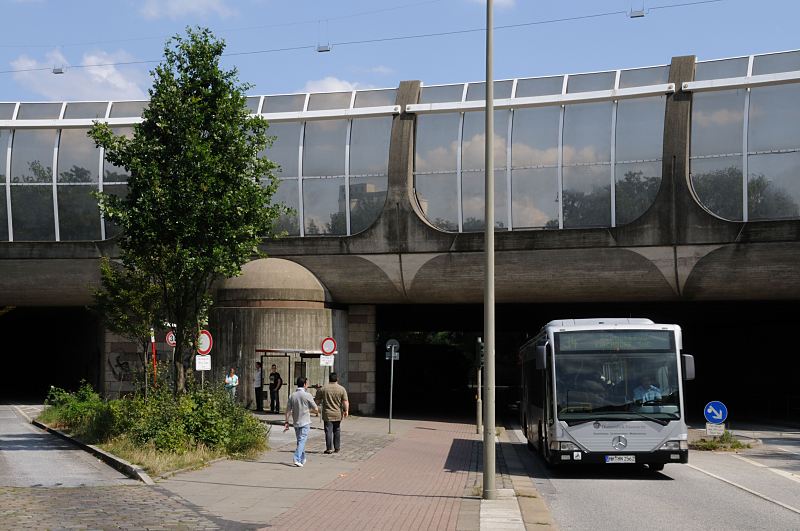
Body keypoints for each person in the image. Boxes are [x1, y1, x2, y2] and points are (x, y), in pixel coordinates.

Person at [284, 376, 319, 467]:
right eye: (307, 383)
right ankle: (296, 458)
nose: (307, 385)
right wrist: (309, 410)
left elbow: (288, 410)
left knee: (300, 440)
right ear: (304, 384)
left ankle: (302, 458)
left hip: (296, 422)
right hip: (305, 421)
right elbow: (316, 409)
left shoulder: (292, 395)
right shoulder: (308, 395)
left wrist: (286, 421)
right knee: (302, 440)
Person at [314, 372, 350, 454]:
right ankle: (337, 447)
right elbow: (345, 401)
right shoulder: (341, 389)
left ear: (329, 379)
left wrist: (315, 409)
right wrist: (346, 410)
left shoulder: (323, 389)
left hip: (327, 413)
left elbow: (317, 401)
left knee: (328, 431)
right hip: (338, 413)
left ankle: (329, 448)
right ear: (337, 379)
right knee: (337, 430)